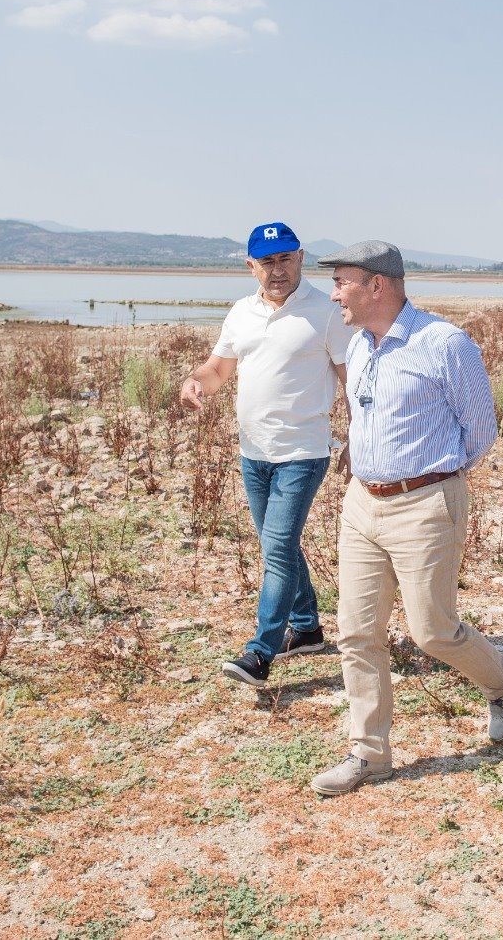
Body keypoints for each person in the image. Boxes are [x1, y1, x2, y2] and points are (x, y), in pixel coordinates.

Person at [308, 240, 503, 796]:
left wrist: (432, 481)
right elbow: (358, 414)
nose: (334, 295)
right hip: (362, 503)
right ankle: (368, 754)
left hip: (426, 504)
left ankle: (501, 676)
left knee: (433, 631)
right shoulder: (358, 346)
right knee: (356, 632)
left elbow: (480, 429)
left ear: (377, 285)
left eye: (343, 282)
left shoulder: (444, 344)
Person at [181, 222, 351, 687]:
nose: (278, 270)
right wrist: (196, 383)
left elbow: (350, 377)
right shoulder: (240, 313)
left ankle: (261, 652)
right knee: (279, 545)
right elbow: (218, 368)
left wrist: (360, 437)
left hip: (303, 450)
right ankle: (309, 625)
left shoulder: (327, 312)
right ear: (250, 265)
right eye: (267, 261)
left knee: (276, 548)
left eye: (286, 259)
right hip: (252, 452)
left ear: (300, 258)